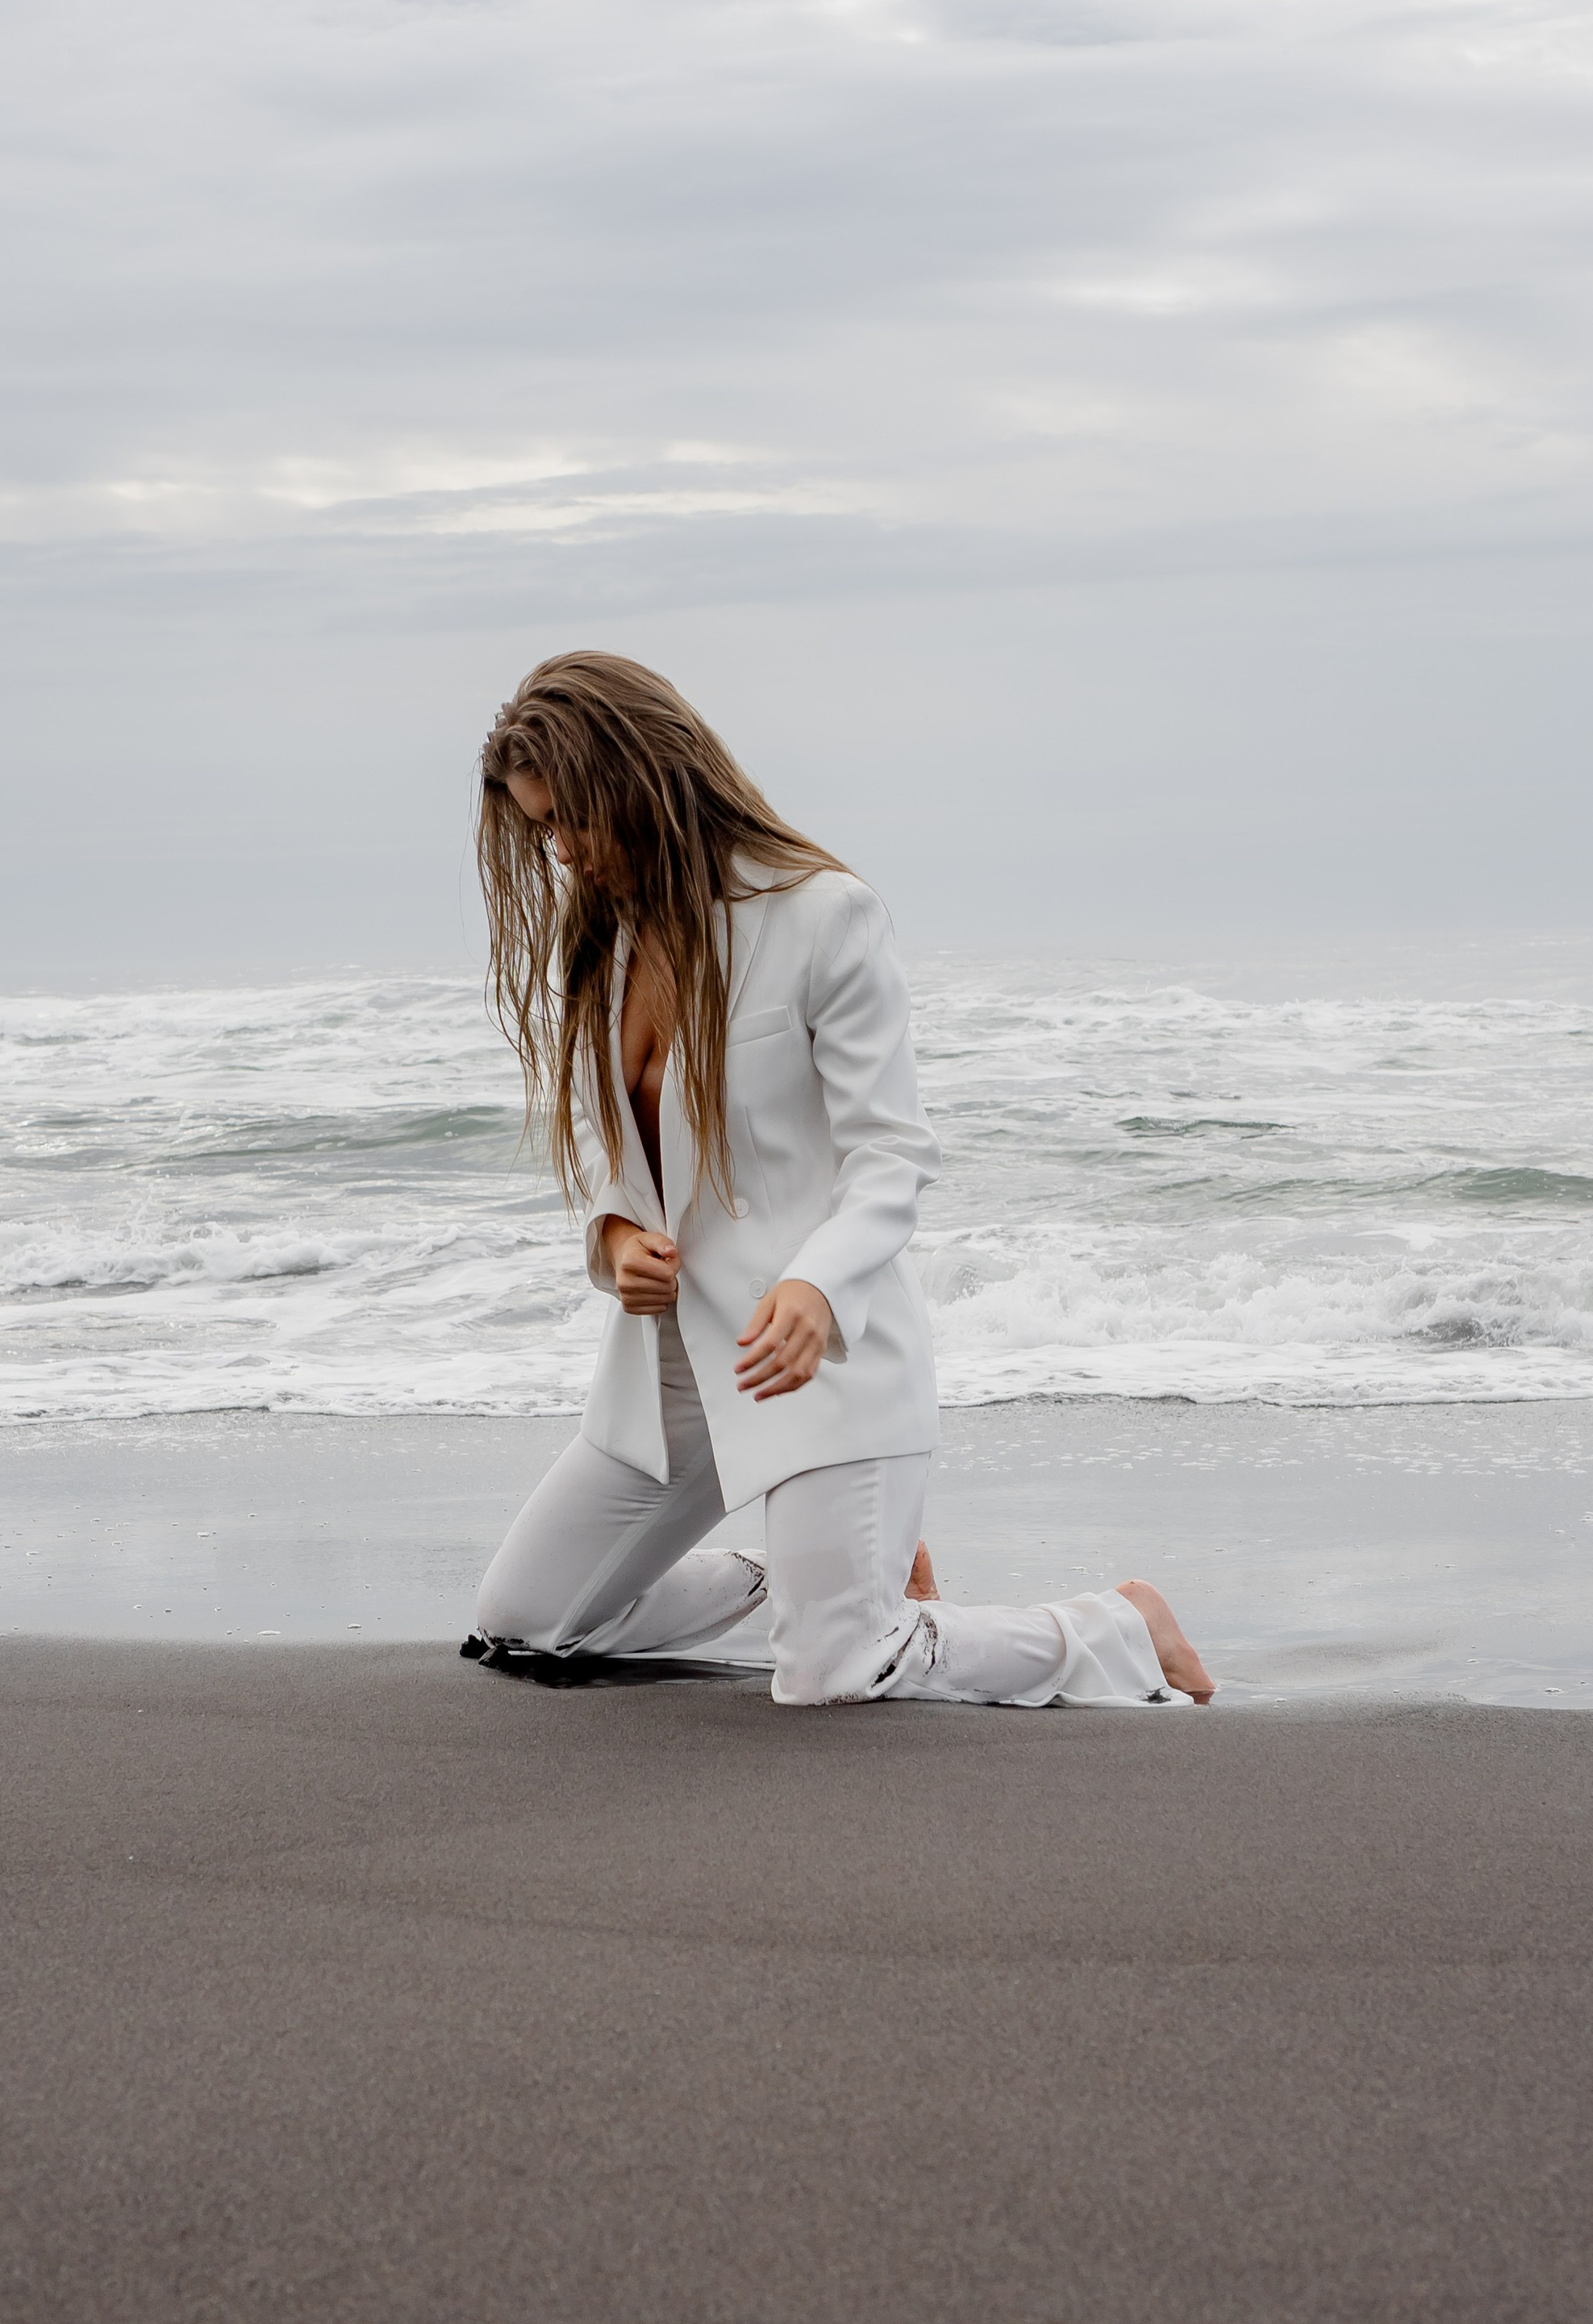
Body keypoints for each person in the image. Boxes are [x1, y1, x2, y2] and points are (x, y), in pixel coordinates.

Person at [469, 650, 1214, 1709]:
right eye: (542, 831)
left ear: (640, 776)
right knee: (520, 1625)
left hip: (813, 1362)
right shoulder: (612, 942)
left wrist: (818, 1285)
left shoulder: (824, 915)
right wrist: (615, 1238)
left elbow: (893, 1154)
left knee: (831, 1677)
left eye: (572, 819)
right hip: (673, 1373)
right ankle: (807, 1574)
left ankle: (1119, 1628)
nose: (564, 854)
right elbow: (612, 1142)